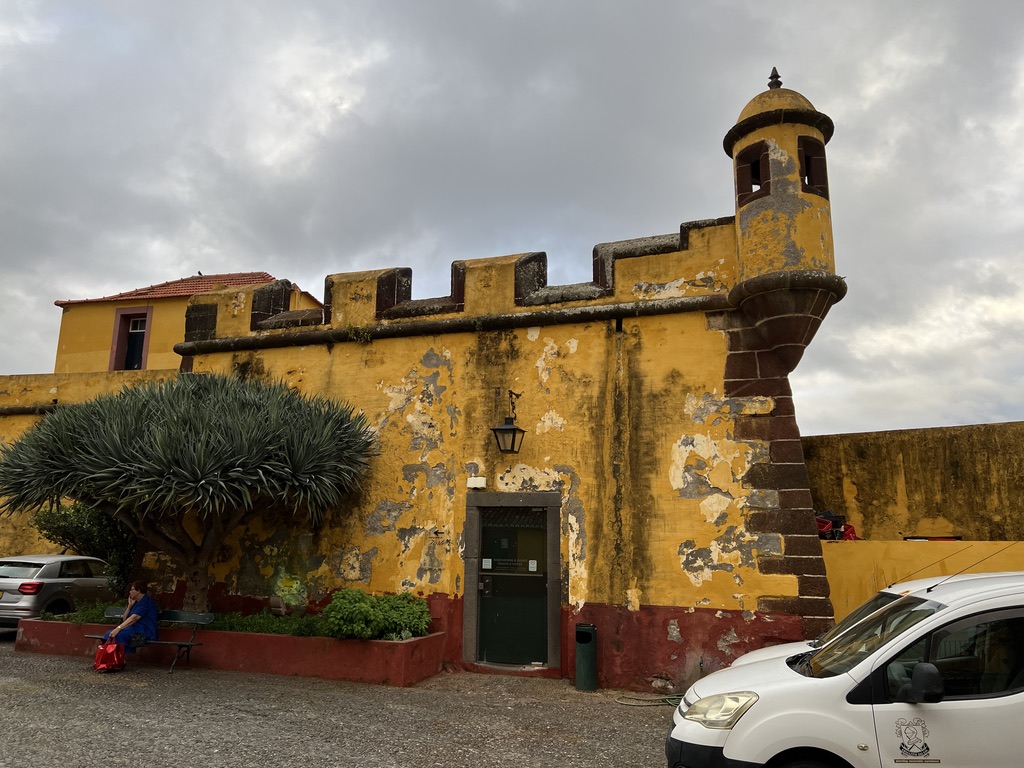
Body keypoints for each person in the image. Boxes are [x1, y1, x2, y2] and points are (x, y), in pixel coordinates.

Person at [104, 580, 159, 652]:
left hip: (144, 631)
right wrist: (129, 606)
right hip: (134, 629)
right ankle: (114, 655)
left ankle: (123, 656)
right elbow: (124, 619)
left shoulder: (146, 601)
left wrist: (118, 629)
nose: (130, 592)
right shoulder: (136, 602)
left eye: (132, 590)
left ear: (138, 591)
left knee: (119, 635)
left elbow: (134, 618)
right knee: (109, 633)